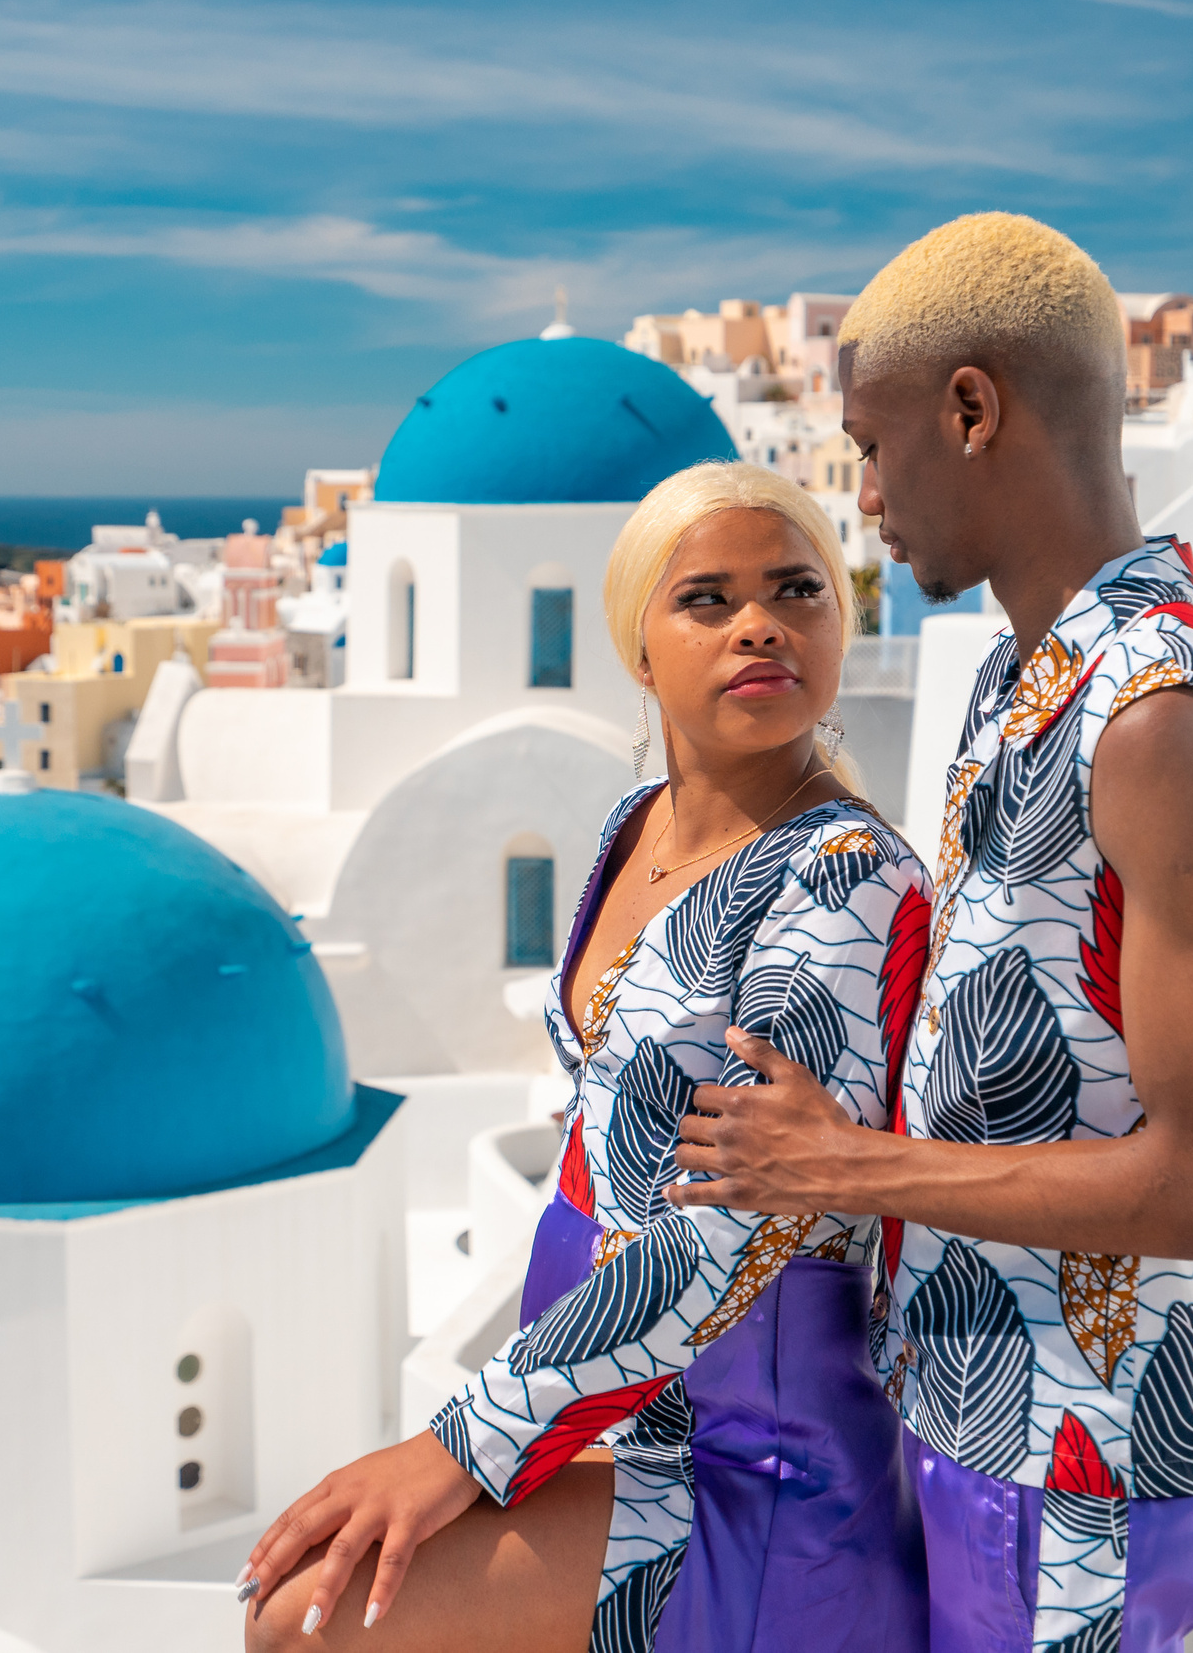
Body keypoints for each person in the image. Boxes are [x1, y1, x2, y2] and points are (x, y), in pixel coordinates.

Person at [671, 214, 1193, 1653]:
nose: (867, 492)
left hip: (1086, 1447)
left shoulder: (1151, 714)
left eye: (874, 444)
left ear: (971, 409)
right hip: (988, 1408)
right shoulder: (1031, 677)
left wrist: (843, 1162)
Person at [240, 461, 933, 1653]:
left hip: (753, 1466)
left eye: (797, 590)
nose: (759, 622)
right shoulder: (636, 825)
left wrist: (459, 1442)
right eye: (707, 598)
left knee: (314, 1618)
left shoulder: (837, 878)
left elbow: (736, 1232)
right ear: (639, 648)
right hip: (623, 1412)